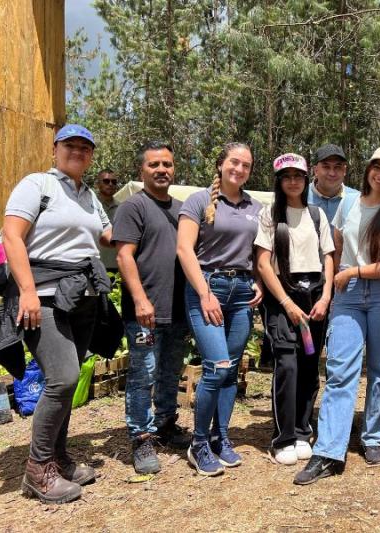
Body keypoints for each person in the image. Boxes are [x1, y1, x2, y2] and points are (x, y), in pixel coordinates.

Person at [2, 124, 111, 503]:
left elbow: (108, 236)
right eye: (71, 145)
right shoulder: (37, 185)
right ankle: (37, 470)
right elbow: (12, 234)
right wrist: (28, 292)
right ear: (55, 149)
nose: (78, 151)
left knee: (68, 378)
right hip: (42, 296)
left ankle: (60, 458)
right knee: (62, 379)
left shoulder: (90, 196)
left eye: (85, 147)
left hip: (81, 298)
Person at [294, 147, 380, 484]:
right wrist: (332, 286)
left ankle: (372, 437)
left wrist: (354, 272)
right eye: (377, 167)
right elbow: (334, 250)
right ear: (368, 170)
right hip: (347, 295)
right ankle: (329, 450)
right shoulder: (348, 203)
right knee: (341, 369)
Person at [176, 142, 263, 476]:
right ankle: (198, 444)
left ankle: (220, 437)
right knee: (217, 366)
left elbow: (257, 251)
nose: (239, 169)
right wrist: (204, 293)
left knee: (231, 370)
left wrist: (256, 279)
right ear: (221, 164)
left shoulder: (255, 206)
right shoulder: (199, 201)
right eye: (234, 162)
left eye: (246, 165)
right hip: (207, 288)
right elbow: (184, 250)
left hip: (242, 292)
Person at [113, 141, 191, 475]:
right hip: (144, 311)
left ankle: (165, 424)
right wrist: (141, 298)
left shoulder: (182, 209)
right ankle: (141, 437)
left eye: (167, 164)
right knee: (143, 374)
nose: (162, 170)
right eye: (154, 164)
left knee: (171, 370)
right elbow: (123, 255)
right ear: (141, 170)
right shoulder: (133, 207)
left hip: (177, 309)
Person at [255, 153, 335, 465]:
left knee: (309, 363)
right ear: (279, 180)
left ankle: (303, 430)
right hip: (281, 296)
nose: (293, 181)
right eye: (286, 176)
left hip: (314, 295)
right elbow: (263, 262)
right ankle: (283, 437)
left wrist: (326, 296)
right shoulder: (269, 214)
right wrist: (286, 303)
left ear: (306, 179)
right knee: (287, 364)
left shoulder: (316, 214)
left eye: (298, 176)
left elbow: (328, 256)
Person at [306, 143, 360, 231]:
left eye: (337, 167)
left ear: (344, 171)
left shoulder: (357, 200)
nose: (332, 173)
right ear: (316, 170)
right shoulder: (300, 197)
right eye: (326, 167)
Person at [95, 169, 120, 272]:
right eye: (106, 181)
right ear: (97, 184)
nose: (110, 184)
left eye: (114, 182)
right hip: (94, 265)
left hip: (116, 266)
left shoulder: (123, 208)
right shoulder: (90, 206)